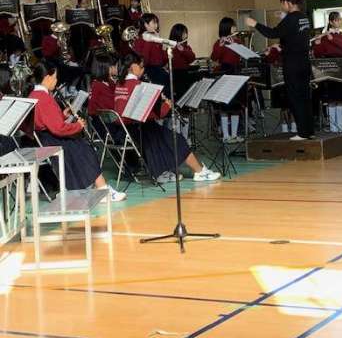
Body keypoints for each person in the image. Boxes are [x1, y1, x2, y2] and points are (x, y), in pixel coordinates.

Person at [114, 54, 221, 184]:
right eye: (141, 67)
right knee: (177, 139)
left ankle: (161, 173)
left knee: (162, 137)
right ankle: (199, 172)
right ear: (133, 67)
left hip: (125, 130)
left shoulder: (120, 84)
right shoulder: (138, 85)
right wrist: (166, 106)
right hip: (139, 128)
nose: (143, 70)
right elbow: (147, 114)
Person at [28, 62, 126, 201]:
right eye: (55, 77)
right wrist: (78, 126)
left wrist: (62, 115)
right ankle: (102, 189)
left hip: (45, 139)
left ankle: (100, 188)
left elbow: (46, 120)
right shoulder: (44, 99)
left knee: (84, 148)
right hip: (54, 140)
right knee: (86, 149)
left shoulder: (34, 95)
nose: (56, 81)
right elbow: (58, 129)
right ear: (47, 77)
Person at [246, 0, 314, 141]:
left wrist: (255, 23)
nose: (282, 7)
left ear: (288, 3)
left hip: (292, 64)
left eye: (282, 4)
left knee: (295, 98)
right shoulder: (304, 17)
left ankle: (302, 133)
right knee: (305, 97)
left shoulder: (291, 18)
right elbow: (295, 38)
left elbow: (273, 33)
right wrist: (283, 46)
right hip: (304, 63)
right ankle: (309, 130)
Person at [313, 12, 342, 132]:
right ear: (331, 22)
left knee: (340, 98)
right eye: (336, 20)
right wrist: (317, 43)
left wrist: (332, 39)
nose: (339, 22)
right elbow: (318, 54)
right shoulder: (324, 37)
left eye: (340, 19)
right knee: (331, 98)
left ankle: (340, 126)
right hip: (329, 68)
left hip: (341, 66)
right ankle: (332, 127)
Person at [211, 17, 243, 143]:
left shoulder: (238, 41)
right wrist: (221, 45)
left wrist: (235, 44)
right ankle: (225, 135)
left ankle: (234, 135)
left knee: (235, 106)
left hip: (236, 73)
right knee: (224, 106)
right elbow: (214, 57)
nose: (235, 28)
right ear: (227, 28)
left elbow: (240, 55)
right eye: (233, 26)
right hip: (224, 73)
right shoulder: (219, 42)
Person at [132, 13, 169, 93]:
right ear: (146, 24)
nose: (156, 25)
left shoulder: (156, 38)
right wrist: (148, 41)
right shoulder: (139, 40)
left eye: (157, 22)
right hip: (147, 72)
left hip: (158, 70)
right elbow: (144, 60)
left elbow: (163, 60)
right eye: (154, 22)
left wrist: (165, 50)